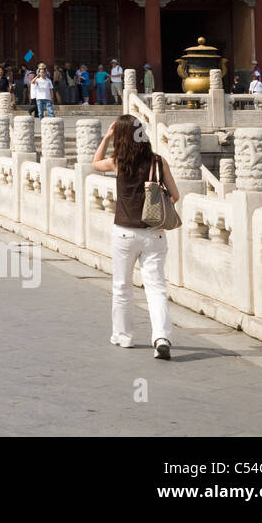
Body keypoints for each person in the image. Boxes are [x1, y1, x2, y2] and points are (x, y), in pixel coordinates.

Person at [92, 115, 178, 360]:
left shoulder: (117, 161)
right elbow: (174, 196)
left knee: (121, 286)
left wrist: (107, 137)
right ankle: (161, 337)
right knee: (156, 287)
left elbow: (94, 162)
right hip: (154, 234)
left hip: (124, 233)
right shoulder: (158, 162)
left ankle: (124, 336)